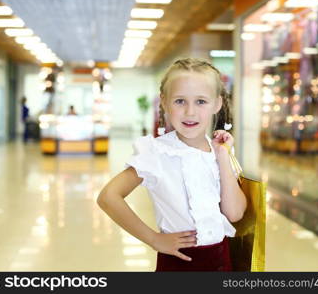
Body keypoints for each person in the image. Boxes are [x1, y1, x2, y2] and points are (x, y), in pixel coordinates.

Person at [97, 58, 247, 271]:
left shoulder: (219, 150)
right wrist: (153, 239)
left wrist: (223, 157)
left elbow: (234, 214)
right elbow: (108, 197)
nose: (190, 112)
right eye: (180, 101)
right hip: (178, 263)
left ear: (217, 104)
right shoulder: (156, 153)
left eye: (201, 101)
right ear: (164, 102)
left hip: (221, 260)